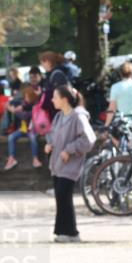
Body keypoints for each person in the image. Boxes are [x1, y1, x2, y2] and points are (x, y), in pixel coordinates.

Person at [45, 84, 95, 242]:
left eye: (55, 97)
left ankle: (70, 233)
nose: (52, 100)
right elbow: (52, 135)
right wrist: (49, 144)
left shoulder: (78, 116)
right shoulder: (59, 116)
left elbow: (89, 140)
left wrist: (70, 149)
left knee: (64, 197)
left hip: (70, 165)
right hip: (57, 164)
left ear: (64, 99)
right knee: (61, 198)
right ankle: (66, 232)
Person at [4, 84, 43, 170]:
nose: (25, 99)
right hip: (23, 128)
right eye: (25, 97)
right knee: (11, 137)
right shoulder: (24, 103)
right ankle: (11, 158)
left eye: (27, 97)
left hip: (33, 129)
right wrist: (14, 108)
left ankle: (35, 158)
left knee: (33, 138)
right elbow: (21, 106)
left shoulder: (36, 105)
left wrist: (14, 111)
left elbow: (26, 116)